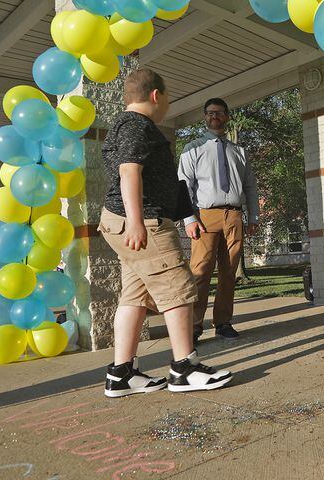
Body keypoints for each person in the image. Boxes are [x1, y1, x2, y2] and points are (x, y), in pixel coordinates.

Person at [99, 68, 232, 397]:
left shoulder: (128, 125)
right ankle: (184, 368)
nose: (168, 102)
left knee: (135, 296)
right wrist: (136, 220)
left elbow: (165, 182)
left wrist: (183, 214)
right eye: (168, 96)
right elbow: (130, 171)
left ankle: (121, 375)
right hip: (143, 223)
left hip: (126, 221)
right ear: (156, 95)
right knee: (179, 289)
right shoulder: (135, 125)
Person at [178, 98, 259, 343]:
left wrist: (253, 216)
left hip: (234, 215)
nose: (215, 116)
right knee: (200, 272)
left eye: (220, 112)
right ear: (204, 116)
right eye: (210, 112)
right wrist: (189, 219)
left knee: (228, 272)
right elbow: (183, 186)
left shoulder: (239, 152)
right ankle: (193, 326)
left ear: (227, 117)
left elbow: (250, 187)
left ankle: (223, 322)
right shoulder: (193, 148)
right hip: (205, 216)